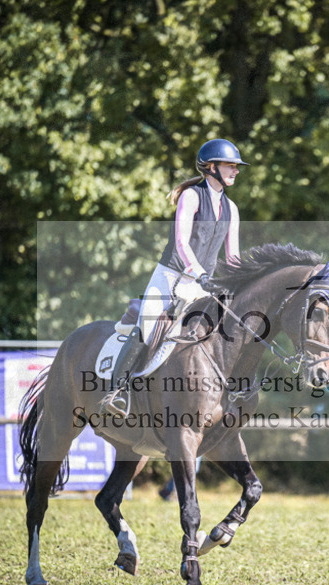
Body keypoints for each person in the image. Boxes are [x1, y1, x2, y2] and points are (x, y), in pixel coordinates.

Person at [106, 138, 249, 415]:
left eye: (236, 166)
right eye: (231, 165)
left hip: (203, 285)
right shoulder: (192, 196)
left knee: (226, 331)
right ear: (211, 167)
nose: (236, 170)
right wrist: (199, 273)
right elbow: (182, 243)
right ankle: (118, 392)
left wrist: (240, 282)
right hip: (171, 277)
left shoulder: (232, 209)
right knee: (148, 327)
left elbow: (233, 256)